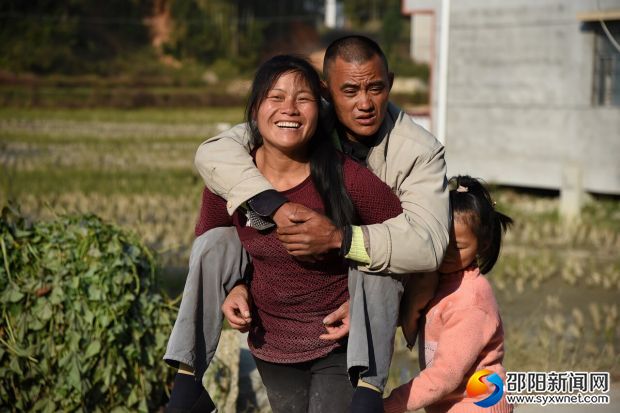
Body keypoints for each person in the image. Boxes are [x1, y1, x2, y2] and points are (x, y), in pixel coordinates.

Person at [164, 35, 450, 412]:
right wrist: (238, 275)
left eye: (375, 88)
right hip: (276, 331)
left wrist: (344, 249)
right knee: (214, 242)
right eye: (350, 90)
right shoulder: (288, 126)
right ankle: (187, 381)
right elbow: (215, 157)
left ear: (390, 84)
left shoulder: (411, 153)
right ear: (328, 91)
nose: (364, 104)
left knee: (379, 258)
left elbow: (424, 244)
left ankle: (368, 388)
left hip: (343, 320)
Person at [197, 54, 404, 412]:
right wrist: (233, 287)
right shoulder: (231, 178)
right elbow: (214, 241)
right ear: (255, 109)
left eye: (303, 99)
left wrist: (366, 306)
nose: (289, 109)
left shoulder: (346, 176)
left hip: (338, 343)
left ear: (320, 110)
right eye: (275, 98)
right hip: (270, 340)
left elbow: (402, 238)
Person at [384, 175, 514, 413]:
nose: (447, 253)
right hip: (450, 402)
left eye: (459, 247)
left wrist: (391, 404)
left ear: (482, 245)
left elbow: (446, 374)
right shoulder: (431, 279)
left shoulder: (471, 301)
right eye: (442, 242)